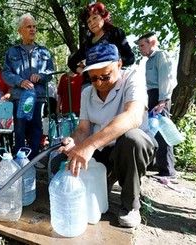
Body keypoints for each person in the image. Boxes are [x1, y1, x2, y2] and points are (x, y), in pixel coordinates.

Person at [51, 44, 156, 228]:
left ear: (119, 64)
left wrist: (89, 146)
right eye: (93, 78)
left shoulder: (133, 78)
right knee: (58, 163)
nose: (99, 83)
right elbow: (83, 130)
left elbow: (133, 116)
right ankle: (107, 178)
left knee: (132, 140)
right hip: (102, 151)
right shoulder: (87, 93)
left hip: (130, 148)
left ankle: (130, 205)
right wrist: (73, 141)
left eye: (105, 76)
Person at [2, 13, 54, 160]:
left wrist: (42, 76)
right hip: (19, 96)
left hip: (38, 96)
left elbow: (50, 72)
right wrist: (19, 81)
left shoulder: (44, 51)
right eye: (29, 26)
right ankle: (20, 159)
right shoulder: (12, 51)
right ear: (20, 31)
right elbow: (6, 73)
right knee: (19, 129)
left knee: (36, 128)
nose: (32, 30)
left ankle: (34, 159)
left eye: (34, 27)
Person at [68, 2, 135, 90]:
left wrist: (111, 65)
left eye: (95, 18)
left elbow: (130, 58)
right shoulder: (87, 43)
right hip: (90, 85)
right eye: (88, 21)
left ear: (103, 16)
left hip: (112, 82)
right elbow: (71, 62)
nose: (92, 23)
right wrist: (84, 72)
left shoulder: (115, 33)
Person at [138, 32, 178, 178]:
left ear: (152, 43)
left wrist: (163, 101)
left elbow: (166, 79)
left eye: (142, 45)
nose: (140, 49)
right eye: (139, 46)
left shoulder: (161, 56)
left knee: (162, 133)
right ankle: (156, 165)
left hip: (160, 98)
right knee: (152, 131)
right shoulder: (149, 61)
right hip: (152, 97)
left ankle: (168, 171)